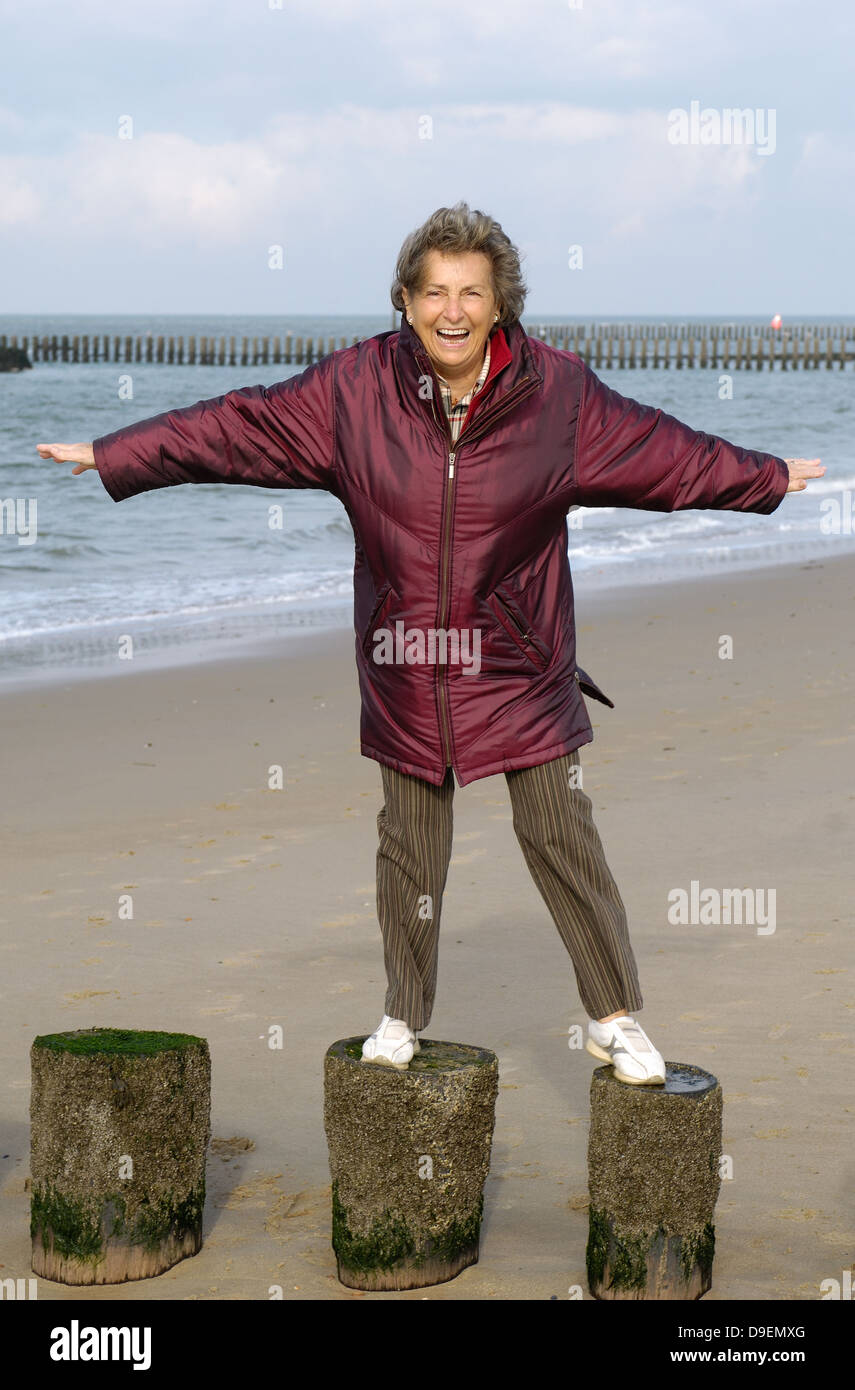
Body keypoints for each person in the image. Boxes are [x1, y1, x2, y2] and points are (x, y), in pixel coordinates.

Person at [37, 201, 824, 1086]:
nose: (453, 310)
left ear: (500, 306)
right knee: (408, 848)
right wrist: (116, 453)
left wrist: (763, 477)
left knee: (561, 834)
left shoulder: (556, 396)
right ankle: (401, 1015)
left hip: (520, 661)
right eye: (435, 292)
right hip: (408, 661)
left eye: (472, 293)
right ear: (405, 303)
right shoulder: (352, 392)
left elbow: (661, 452)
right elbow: (237, 427)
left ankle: (613, 1018)